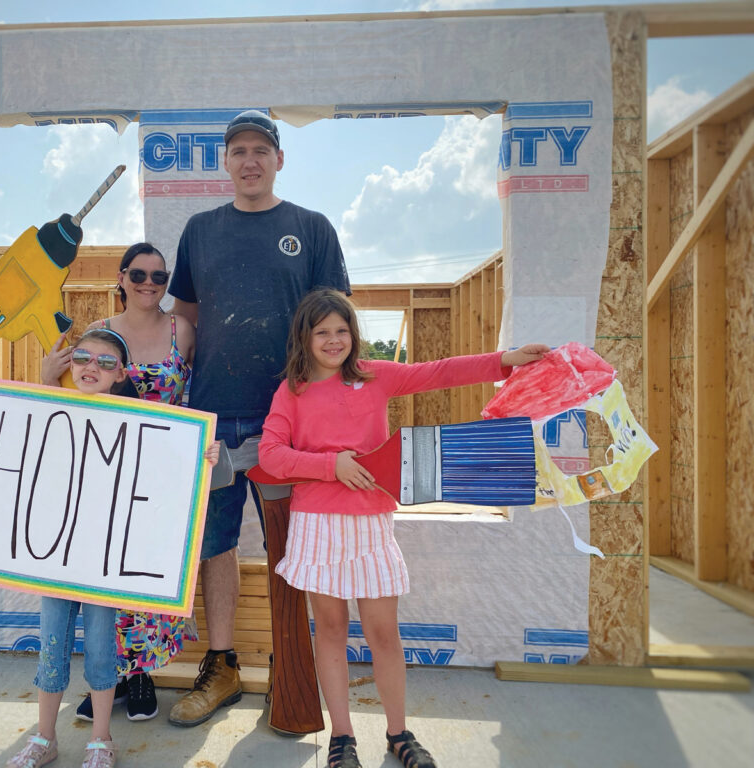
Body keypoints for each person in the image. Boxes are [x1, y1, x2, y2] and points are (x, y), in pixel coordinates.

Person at [258, 289, 549, 768]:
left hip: (371, 523)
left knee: (383, 634)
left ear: (354, 334)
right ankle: (342, 738)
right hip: (316, 525)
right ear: (304, 339)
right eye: (322, 332)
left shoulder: (375, 376)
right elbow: (271, 455)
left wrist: (506, 360)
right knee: (330, 630)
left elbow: (439, 372)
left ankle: (399, 733)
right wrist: (333, 465)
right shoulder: (291, 390)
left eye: (342, 330)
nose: (334, 341)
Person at [167, 109, 351, 727]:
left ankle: (288, 671)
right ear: (225, 161)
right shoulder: (200, 230)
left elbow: (336, 327)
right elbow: (185, 320)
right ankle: (221, 665)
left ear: (278, 160)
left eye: (260, 150)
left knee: (291, 551)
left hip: (286, 425)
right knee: (213, 545)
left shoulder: (311, 228)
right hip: (212, 423)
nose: (250, 160)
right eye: (238, 150)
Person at [0, 328, 216, 768]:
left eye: (104, 362)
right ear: (70, 364)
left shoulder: (139, 426)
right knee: (51, 647)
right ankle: (44, 738)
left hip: (103, 567)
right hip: (56, 562)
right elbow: (19, 460)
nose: (91, 368)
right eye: (83, 358)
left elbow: (164, 478)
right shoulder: (48, 412)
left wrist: (200, 458)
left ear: (121, 373)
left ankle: (101, 739)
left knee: (102, 651)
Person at [44, 242, 197, 723]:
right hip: (104, 475)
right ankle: (107, 676)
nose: (149, 284)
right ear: (122, 277)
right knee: (105, 579)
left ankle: (141, 674)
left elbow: (196, 398)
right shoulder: (102, 333)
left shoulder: (183, 330)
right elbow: (69, 401)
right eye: (139, 274)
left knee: (146, 577)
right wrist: (47, 379)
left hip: (160, 474)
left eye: (159, 276)